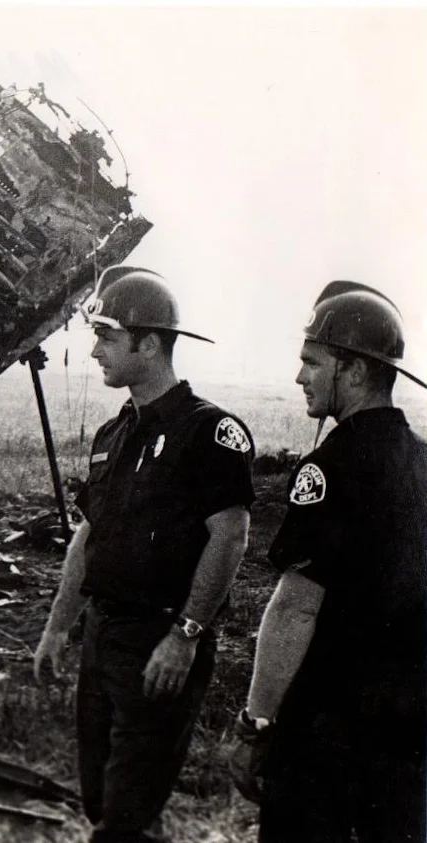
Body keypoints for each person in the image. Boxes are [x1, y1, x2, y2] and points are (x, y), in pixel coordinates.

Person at [34, 266, 255, 842]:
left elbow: (230, 535)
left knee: (123, 818)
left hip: (159, 644)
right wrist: (58, 628)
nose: (95, 352)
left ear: (148, 343)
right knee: (101, 799)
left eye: (107, 337)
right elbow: (90, 535)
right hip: (103, 640)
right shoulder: (114, 434)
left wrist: (186, 635)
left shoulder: (208, 432)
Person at [228, 281, 427, 842]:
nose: (299, 378)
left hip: (327, 727)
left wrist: (256, 726)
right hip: (409, 728)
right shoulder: (423, 462)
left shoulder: (329, 467)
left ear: (355, 370)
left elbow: (294, 610)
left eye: (311, 362)